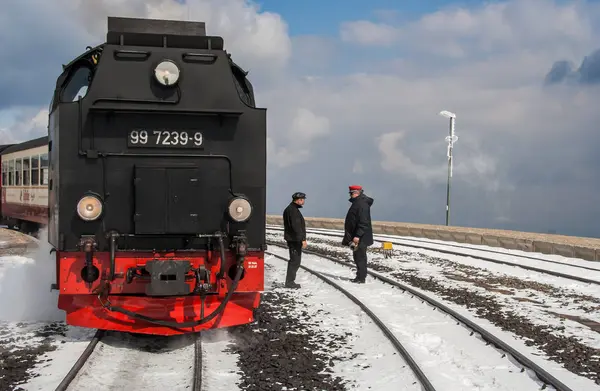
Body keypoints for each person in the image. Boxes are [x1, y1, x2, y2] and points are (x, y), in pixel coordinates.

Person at [342, 185, 374, 283]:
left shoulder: (361, 204)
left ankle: (361, 278)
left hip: (360, 237)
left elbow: (363, 222)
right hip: (358, 236)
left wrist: (357, 236)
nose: (351, 195)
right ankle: (359, 276)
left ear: (356, 193)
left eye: (351, 193)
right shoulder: (358, 203)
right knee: (358, 257)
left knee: (360, 257)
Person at [282, 192, 307, 288]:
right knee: (295, 261)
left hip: (293, 239)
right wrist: (302, 239)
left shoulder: (291, 209)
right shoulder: (293, 211)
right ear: (299, 200)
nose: (304, 201)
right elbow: (296, 227)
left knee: (294, 260)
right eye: (303, 199)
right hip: (295, 240)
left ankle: (290, 281)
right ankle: (290, 282)